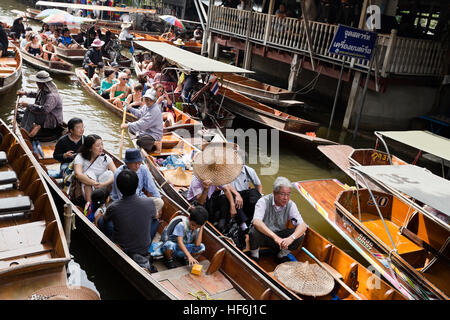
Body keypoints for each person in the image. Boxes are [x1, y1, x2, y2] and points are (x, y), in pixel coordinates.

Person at [97, 169, 158, 273]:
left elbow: (104, 220)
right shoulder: (149, 202)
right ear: (137, 185)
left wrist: (99, 216)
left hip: (124, 248)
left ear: (119, 188)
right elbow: (154, 216)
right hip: (143, 247)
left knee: (101, 222)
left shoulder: (113, 207)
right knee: (155, 222)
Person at [247, 177, 307, 263]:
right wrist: (275, 237)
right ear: (274, 193)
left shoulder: (291, 205)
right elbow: (256, 222)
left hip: (280, 236)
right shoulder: (263, 201)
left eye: (288, 194)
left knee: (300, 234)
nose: (286, 198)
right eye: (282, 194)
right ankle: (255, 256)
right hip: (264, 235)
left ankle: (281, 255)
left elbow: (303, 225)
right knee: (253, 231)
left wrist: (291, 238)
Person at [110, 148, 163, 241]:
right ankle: (146, 218)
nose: (138, 165)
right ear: (127, 163)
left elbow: (152, 188)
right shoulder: (119, 174)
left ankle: (145, 217)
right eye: (135, 163)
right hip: (124, 202)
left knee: (160, 202)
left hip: (140, 199)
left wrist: (156, 207)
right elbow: (122, 198)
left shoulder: (143, 169)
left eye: (139, 162)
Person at [216, 157, 263, 235]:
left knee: (254, 193)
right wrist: (237, 194)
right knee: (235, 200)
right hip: (228, 195)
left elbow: (258, 185)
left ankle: (253, 222)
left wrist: (259, 199)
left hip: (242, 195)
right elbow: (226, 186)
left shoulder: (249, 171)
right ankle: (243, 226)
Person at [17, 71, 63, 138]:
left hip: (51, 120)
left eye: (38, 82)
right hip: (45, 115)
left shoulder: (52, 96)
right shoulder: (43, 89)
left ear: (43, 83)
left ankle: (25, 131)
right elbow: (36, 94)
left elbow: (45, 110)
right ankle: (24, 128)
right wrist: (25, 93)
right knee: (29, 109)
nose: (36, 83)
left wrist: (28, 105)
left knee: (31, 111)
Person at [73, 134, 116, 203]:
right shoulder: (80, 157)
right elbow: (78, 174)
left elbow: (116, 172)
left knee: (110, 173)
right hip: (87, 188)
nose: (101, 148)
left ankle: (105, 201)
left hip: (102, 188)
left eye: (102, 144)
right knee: (89, 174)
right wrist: (94, 183)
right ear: (90, 148)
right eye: (98, 145)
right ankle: (89, 205)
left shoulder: (105, 157)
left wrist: (103, 184)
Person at [121, 89, 163, 154]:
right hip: (146, 131)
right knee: (131, 129)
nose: (148, 102)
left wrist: (128, 125)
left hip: (154, 134)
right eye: (146, 99)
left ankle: (156, 143)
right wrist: (130, 108)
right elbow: (140, 113)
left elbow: (143, 123)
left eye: (150, 100)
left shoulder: (154, 110)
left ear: (154, 100)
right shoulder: (146, 106)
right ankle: (140, 138)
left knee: (140, 142)